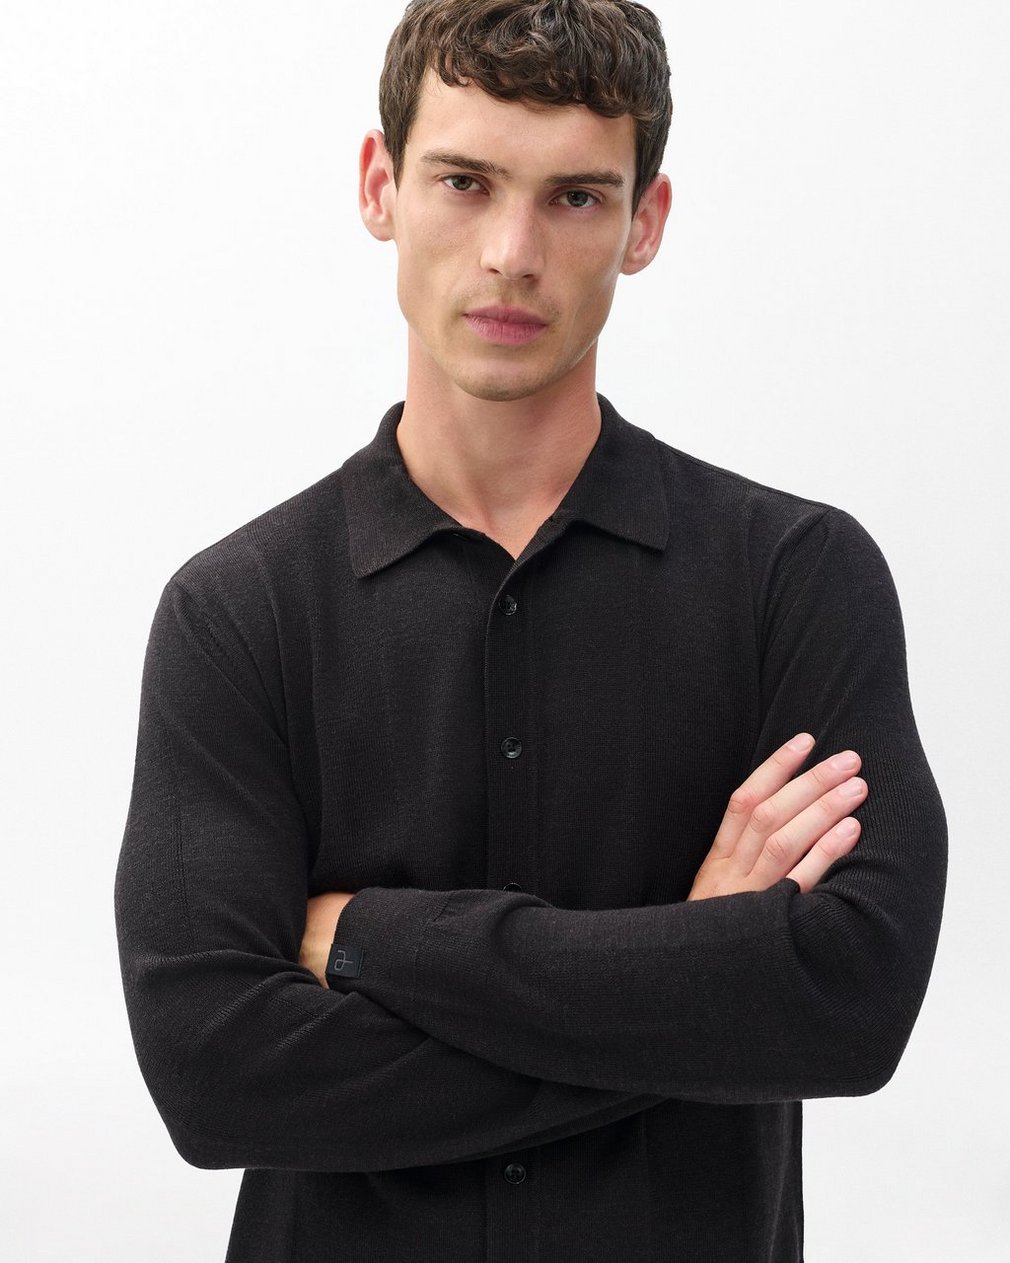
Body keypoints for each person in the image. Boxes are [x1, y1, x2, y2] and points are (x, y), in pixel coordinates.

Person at [113, 2, 947, 1260]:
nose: (511, 253)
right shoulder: (237, 612)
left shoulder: (796, 578)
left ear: (643, 222)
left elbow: (851, 1004)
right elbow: (215, 1078)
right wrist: (695, 971)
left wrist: (375, 939)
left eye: (573, 198)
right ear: (379, 186)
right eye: (465, 182)